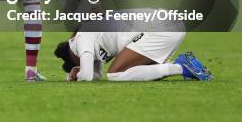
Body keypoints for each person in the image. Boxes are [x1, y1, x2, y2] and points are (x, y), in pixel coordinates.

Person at [54, 31, 213, 82]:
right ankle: (187, 65)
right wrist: (78, 70)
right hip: (167, 27)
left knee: (115, 74)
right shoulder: (90, 35)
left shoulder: (81, 39)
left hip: (160, 30)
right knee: (134, 71)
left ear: (72, 54)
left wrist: (73, 76)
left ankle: (180, 67)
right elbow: (95, 75)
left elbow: (87, 76)